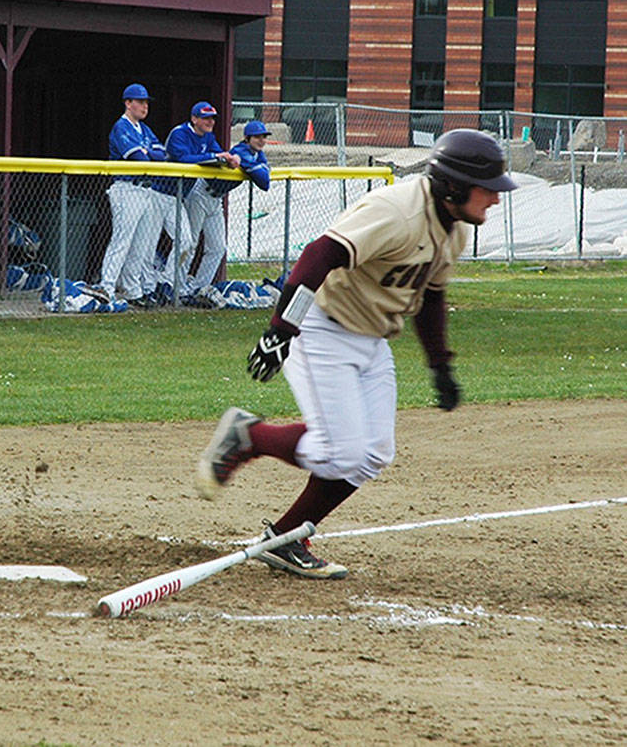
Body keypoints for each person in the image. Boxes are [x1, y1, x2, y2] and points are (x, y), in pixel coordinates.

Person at [194, 129, 517, 578]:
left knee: (373, 453)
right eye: (488, 190)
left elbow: (432, 297)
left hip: (372, 340)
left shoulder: (454, 229)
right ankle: (251, 437)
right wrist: (280, 330)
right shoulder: (397, 212)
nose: (496, 200)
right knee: (341, 453)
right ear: (454, 187)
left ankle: (284, 539)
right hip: (324, 330)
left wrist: (441, 365)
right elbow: (318, 256)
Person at [98, 83, 166, 308]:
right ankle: (106, 286)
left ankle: (132, 289)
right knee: (122, 240)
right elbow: (140, 159)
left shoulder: (143, 129)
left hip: (145, 189)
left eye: (146, 102)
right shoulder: (122, 126)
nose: (145, 106)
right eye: (141, 101)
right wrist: (148, 152)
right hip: (126, 188)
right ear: (128, 103)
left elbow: (163, 154)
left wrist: (149, 152)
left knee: (142, 244)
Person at [165, 101, 242, 299]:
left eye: (212, 118)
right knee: (188, 243)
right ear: (194, 119)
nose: (210, 122)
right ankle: (175, 288)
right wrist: (216, 155)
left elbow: (218, 155)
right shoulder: (180, 133)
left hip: (213, 197)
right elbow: (183, 158)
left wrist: (230, 158)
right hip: (183, 192)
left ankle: (199, 288)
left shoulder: (209, 136)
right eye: (205, 118)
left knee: (218, 247)